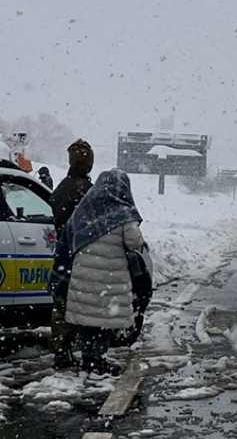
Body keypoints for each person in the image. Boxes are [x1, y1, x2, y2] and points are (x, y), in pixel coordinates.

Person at [60, 169, 145, 375]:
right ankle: (97, 359)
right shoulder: (123, 213)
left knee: (88, 321)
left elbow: (69, 234)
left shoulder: (84, 209)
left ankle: (89, 357)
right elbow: (135, 243)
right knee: (103, 322)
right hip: (109, 277)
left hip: (83, 274)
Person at [47, 139, 94, 369]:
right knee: (72, 305)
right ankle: (67, 351)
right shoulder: (84, 189)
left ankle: (63, 349)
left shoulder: (66, 187)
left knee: (63, 304)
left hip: (67, 256)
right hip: (78, 255)